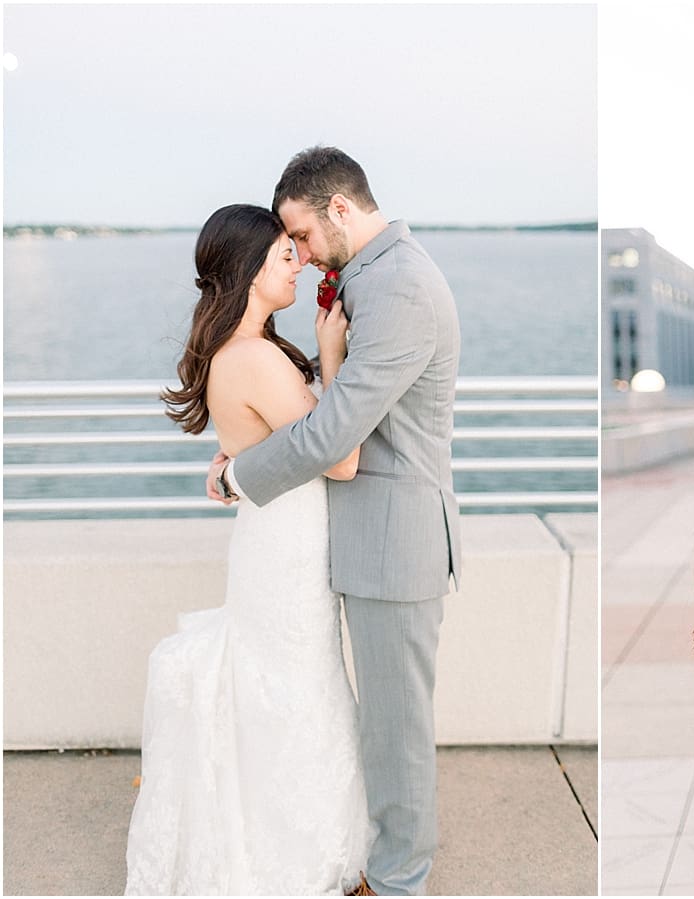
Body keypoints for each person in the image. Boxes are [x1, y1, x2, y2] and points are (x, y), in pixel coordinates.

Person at [207, 146, 462, 897]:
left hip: (395, 538)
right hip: (366, 535)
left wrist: (236, 473)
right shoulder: (374, 277)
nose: (305, 255)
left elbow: (334, 434)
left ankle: (398, 879)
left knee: (396, 728)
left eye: (306, 237)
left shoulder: (400, 287)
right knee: (380, 723)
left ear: (340, 209)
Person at [126, 203, 373, 894]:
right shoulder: (259, 358)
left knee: (292, 688)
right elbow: (343, 458)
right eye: (282, 254)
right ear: (248, 270)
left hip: (272, 538)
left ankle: (292, 835)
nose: (297, 260)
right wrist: (332, 354)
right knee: (300, 692)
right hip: (288, 549)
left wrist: (229, 472)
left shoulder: (234, 353)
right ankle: (294, 853)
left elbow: (259, 448)